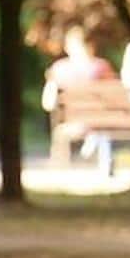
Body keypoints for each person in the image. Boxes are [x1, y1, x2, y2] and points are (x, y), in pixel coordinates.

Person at [41, 28, 118, 171]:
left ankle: (63, 161)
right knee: (102, 126)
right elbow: (115, 95)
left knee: (93, 126)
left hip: (73, 122)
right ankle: (102, 159)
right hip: (101, 121)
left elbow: (47, 103)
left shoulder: (59, 68)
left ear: (67, 47)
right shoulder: (101, 66)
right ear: (91, 46)